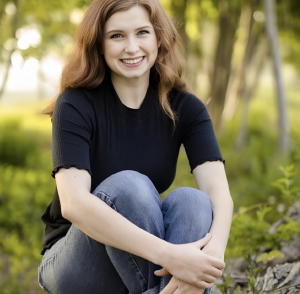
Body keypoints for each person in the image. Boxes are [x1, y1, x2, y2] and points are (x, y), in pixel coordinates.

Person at [38, 0, 233, 293]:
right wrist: (172, 258)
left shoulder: (185, 107)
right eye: (117, 36)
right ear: (98, 44)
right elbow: (74, 204)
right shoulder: (75, 104)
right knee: (129, 186)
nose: (132, 47)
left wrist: (211, 259)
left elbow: (219, 193)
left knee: (194, 202)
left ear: (158, 38)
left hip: (135, 258)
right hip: (74, 260)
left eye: (142, 32)